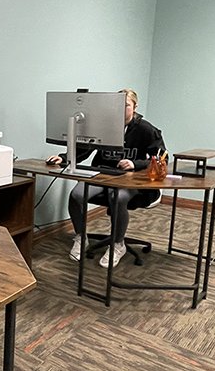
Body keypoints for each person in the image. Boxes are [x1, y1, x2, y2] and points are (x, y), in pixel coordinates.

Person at [46, 88, 167, 268]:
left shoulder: (146, 130)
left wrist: (135, 164)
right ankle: (81, 237)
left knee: (118, 198)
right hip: (103, 173)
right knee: (77, 195)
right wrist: (64, 158)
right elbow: (85, 148)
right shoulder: (105, 125)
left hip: (131, 180)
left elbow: (161, 158)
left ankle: (118, 244)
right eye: (117, 105)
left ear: (135, 107)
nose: (121, 109)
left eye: (126, 105)